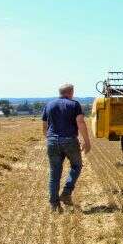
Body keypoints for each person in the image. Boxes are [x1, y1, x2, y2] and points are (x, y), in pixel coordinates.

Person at [42, 83, 91, 212]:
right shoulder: (74, 104)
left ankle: (54, 204)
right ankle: (66, 192)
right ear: (71, 92)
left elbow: (44, 126)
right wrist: (87, 141)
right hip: (69, 140)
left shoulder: (49, 105)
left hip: (52, 141)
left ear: (60, 92)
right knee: (77, 166)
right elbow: (80, 122)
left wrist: (50, 139)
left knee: (54, 173)